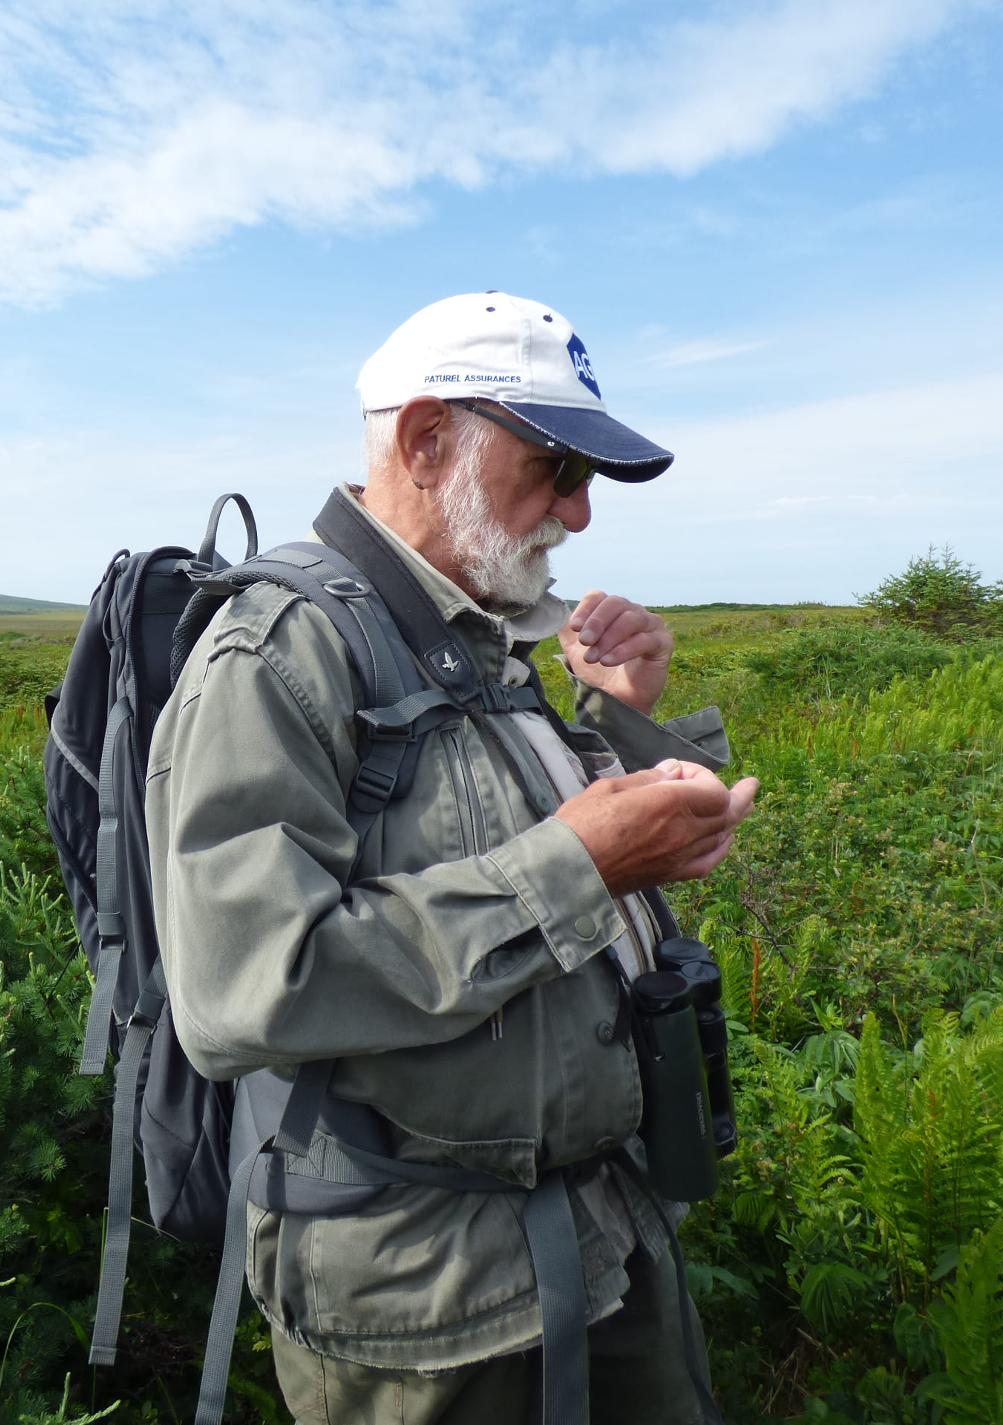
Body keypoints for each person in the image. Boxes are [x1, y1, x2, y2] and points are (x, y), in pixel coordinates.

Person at [144, 292, 759, 1423]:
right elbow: (241, 991)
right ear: (427, 442)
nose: (577, 515)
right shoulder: (277, 657)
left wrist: (621, 724)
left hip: (599, 1239)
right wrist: (583, 867)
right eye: (556, 468)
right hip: (425, 1312)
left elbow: (497, 838)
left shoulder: (479, 633)